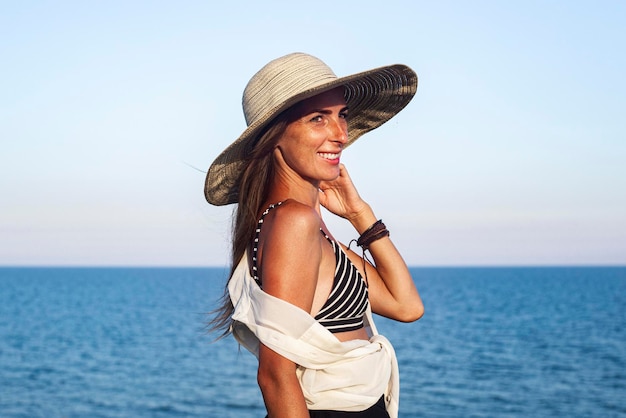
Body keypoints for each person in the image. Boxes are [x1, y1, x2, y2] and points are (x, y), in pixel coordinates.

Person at [206, 52, 424, 418]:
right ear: (274, 135)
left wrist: (360, 215)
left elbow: (406, 306)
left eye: (342, 115)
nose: (340, 134)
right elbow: (275, 375)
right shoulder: (294, 221)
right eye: (317, 118)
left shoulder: (306, 224)